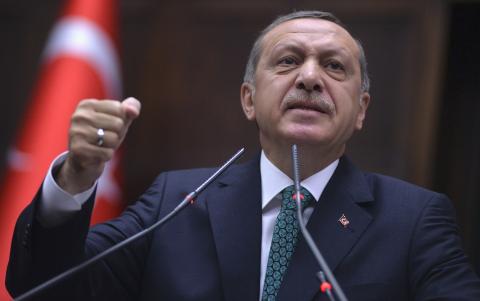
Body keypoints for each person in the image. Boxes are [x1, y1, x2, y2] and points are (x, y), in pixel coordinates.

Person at [6, 10, 480, 301]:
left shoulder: (414, 219)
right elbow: (44, 287)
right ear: (249, 99)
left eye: (334, 66)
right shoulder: (177, 199)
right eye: (288, 61)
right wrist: (74, 178)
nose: (311, 78)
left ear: (361, 110)